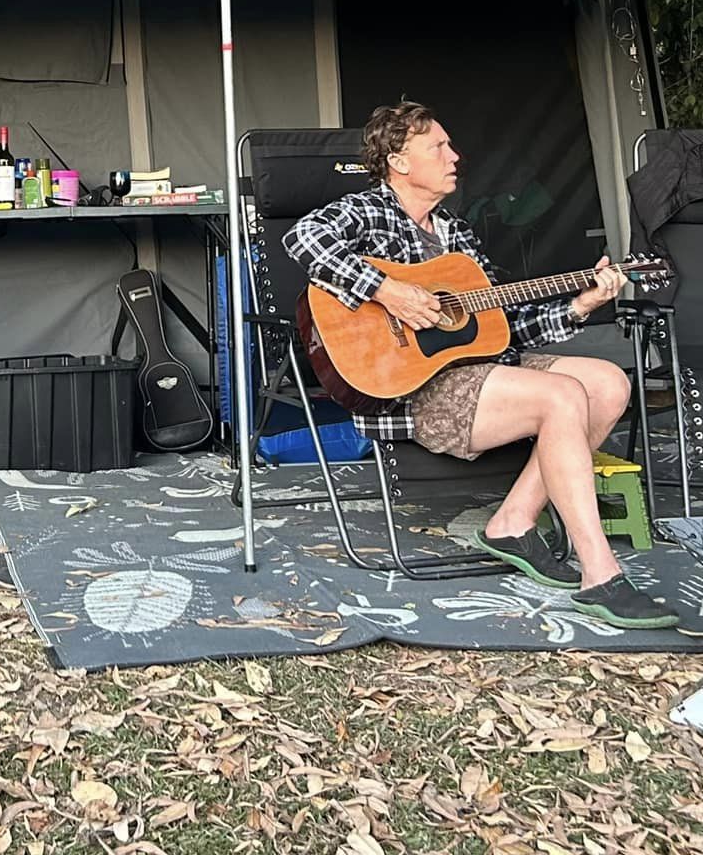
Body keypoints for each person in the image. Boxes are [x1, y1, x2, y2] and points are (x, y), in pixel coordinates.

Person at [285, 100, 678, 629]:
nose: (455, 156)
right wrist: (390, 291)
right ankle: (600, 573)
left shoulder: (458, 236)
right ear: (399, 162)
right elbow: (302, 239)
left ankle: (513, 520)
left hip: (483, 371)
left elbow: (502, 327)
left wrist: (581, 304)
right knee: (562, 394)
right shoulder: (365, 211)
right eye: (438, 147)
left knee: (607, 383)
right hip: (414, 388)